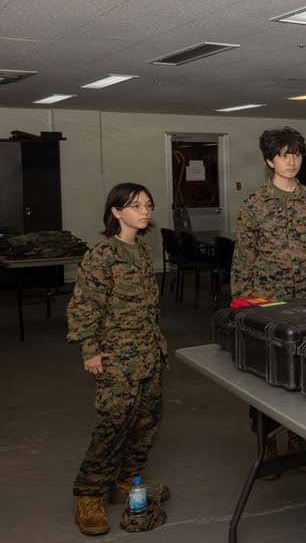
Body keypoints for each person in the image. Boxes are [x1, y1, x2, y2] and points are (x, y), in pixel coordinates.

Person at [231, 126, 306, 478]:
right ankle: (267, 443)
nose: (291, 161)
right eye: (282, 155)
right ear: (269, 160)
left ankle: (297, 438)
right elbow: (242, 258)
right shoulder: (255, 204)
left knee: (304, 373)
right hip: (266, 304)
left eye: (296, 154)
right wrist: (242, 306)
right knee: (264, 375)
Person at [67, 183, 169, 536]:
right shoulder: (102, 255)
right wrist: (90, 349)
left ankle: (125, 482)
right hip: (117, 356)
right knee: (114, 423)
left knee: (147, 420)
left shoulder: (141, 251)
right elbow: (84, 305)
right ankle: (89, 495)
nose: (144, 211)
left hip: (148, 352)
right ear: (115, 212)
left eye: (148, 205)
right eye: (135, 205)